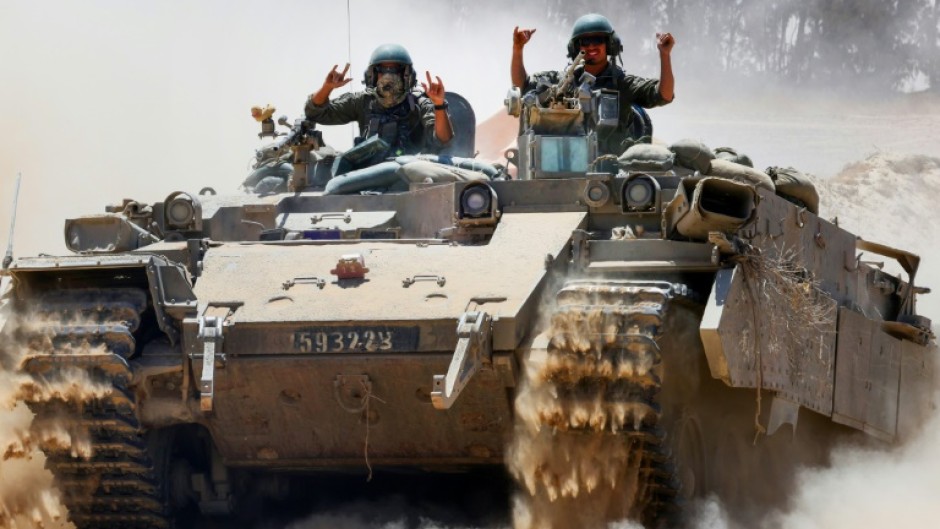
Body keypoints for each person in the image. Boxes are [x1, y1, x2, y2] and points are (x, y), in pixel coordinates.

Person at [511, 14, 675, 154]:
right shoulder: (563, 81)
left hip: (612, 167)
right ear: (576, 47)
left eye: (597, 40)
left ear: (610, 44)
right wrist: (518, 50)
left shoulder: (623, 84)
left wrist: (665, 55)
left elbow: (664, 95)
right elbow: (522, 85)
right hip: (567, 164)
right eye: (585, 42)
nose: (591, 46)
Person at [305, 43, 454, 167]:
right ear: (373, 75)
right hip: (367, 177)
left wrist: (439, 105)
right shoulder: (362, 101)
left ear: (406, 75)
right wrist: (327, 87)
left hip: (409, 176)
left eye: (395, 70)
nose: (389, 76)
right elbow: (316, 113)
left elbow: (443, 139)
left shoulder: (419, 103)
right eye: (383, 71)